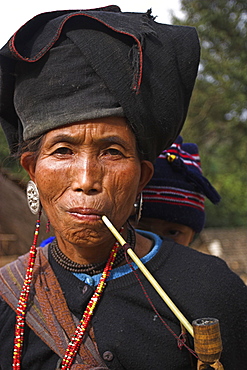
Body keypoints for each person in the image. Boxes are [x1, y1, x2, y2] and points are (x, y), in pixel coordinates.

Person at [0, 6, 246, 370]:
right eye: (63, 150)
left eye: (112, 152)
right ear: (32, 169)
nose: (86, 179)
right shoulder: (8, 301)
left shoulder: (212, 292)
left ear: (142, 176)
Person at [137, 136, 221, 246]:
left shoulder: (204, 263)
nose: (157, 244)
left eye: (172, 232)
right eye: (142, 231)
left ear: (192, 235)